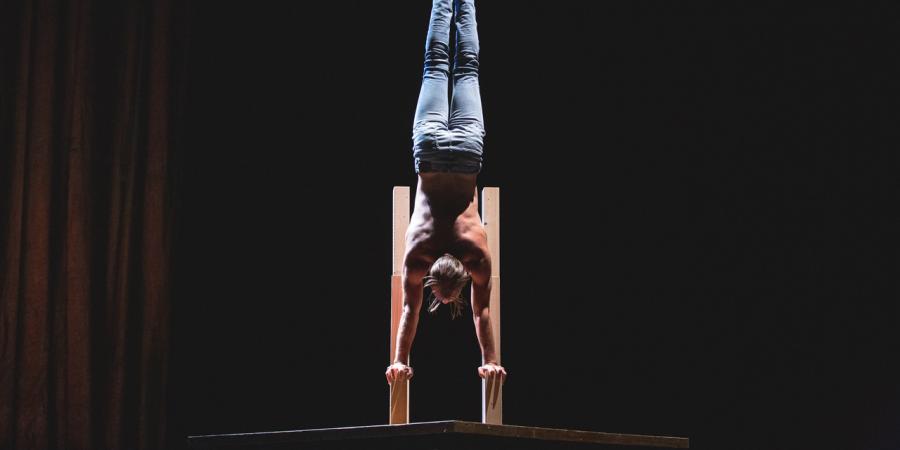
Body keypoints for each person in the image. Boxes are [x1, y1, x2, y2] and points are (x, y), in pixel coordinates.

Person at [385, 0, 507, 388]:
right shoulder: (418, 254)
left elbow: (482, 312)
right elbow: (409, 310)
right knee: (436, 64)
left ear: (463, 275)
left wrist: (491, 361)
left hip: (468, 154)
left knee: (466, 67)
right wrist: (399, 360)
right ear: (432, 275)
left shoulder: (476, 251)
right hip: (432, 153)